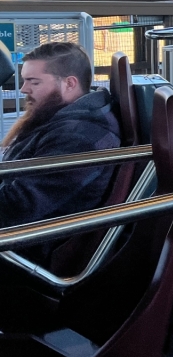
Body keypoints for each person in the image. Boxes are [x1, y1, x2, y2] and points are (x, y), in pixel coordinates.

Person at [0, 43, 121, 266]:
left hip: (28, 253)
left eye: (33, 82)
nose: (23, 89)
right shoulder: (64, 120)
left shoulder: (81, 137)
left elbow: (19, 206)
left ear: (69, 83)